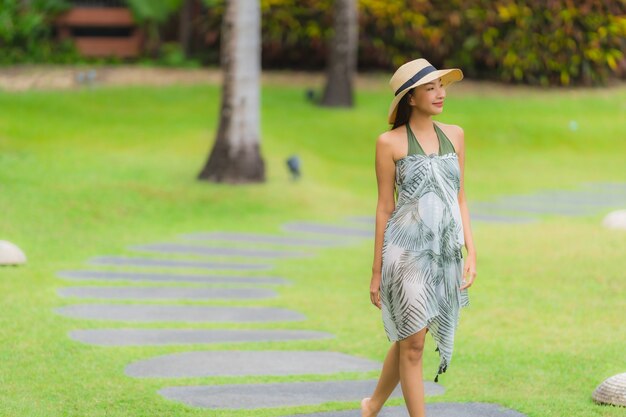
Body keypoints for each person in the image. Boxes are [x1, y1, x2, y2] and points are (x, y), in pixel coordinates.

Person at [361, 58, 477, 417]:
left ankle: (372, 405)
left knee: (413, 336)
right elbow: (384, 207)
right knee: (413, 343)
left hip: (444, 253)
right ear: (410, 98)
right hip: (405, 252)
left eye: (441, 86)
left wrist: (471, 251)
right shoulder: (388, 143)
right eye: (430, 88)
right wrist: (377, 271)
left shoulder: (455, 135)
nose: (440, 93)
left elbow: (460, 197)